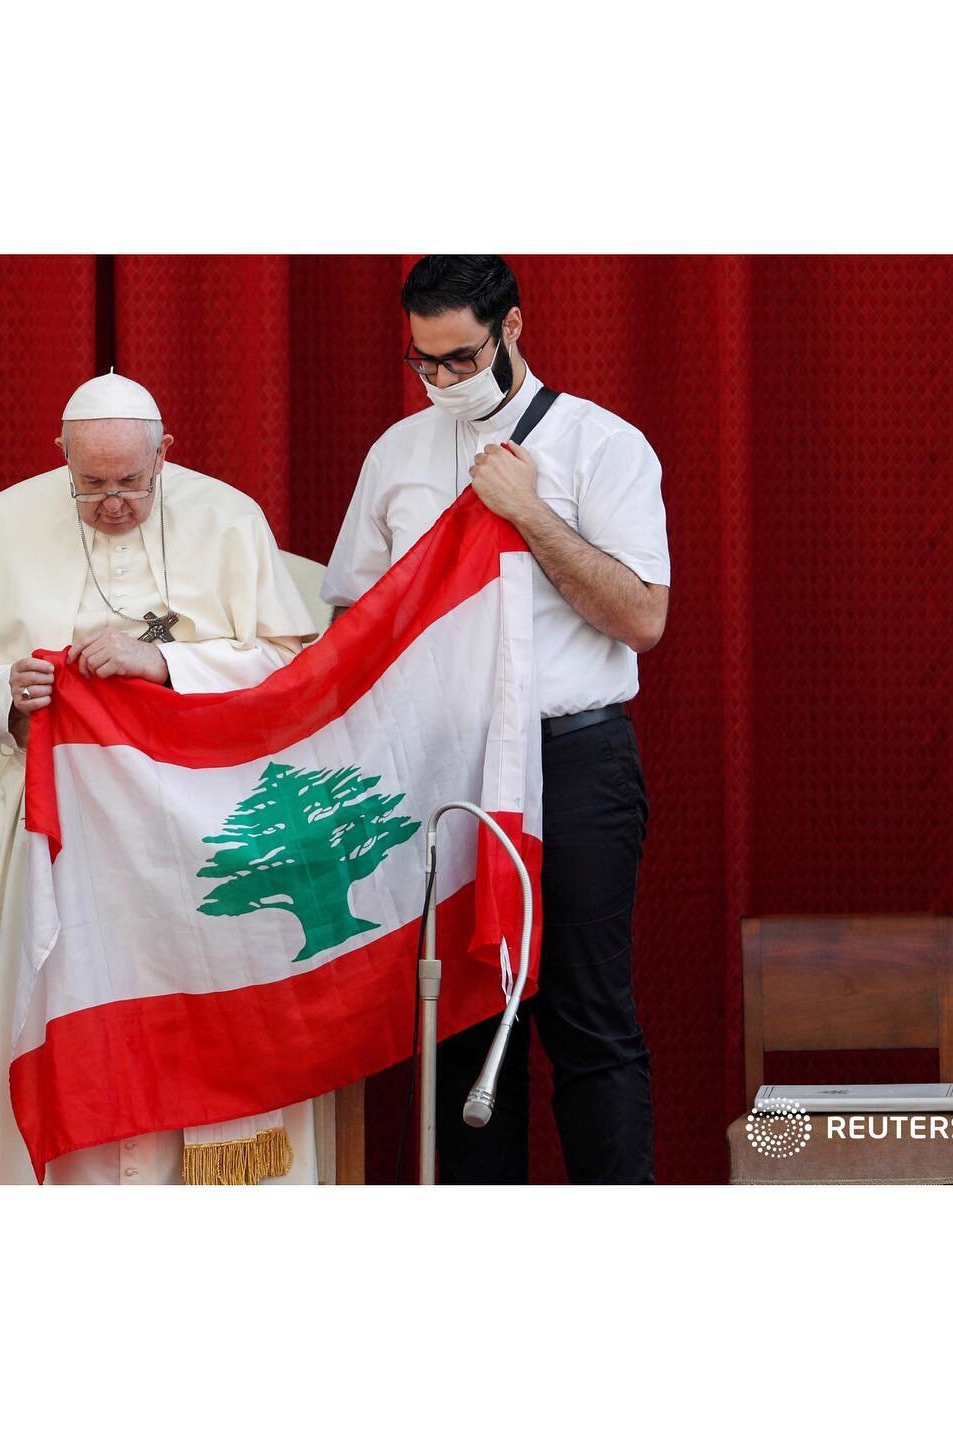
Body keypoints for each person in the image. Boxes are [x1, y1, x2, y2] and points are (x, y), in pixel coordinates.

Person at [322, 256, 669, 1184]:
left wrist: (527, 515)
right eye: (423, 362)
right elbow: (352, 615)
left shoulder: (603, 445)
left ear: (512, 329)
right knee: (466, 1024)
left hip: (574, 757)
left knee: (587, 1020)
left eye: (462, 358)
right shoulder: (397, 456)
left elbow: (642, 615)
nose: (443, 382)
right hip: (445, 766)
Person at [0, 370, 320, 1184]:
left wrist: (167, 661)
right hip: (58, 826)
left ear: (165, 456)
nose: (113, 504)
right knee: (68, 1019)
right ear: (63, 462)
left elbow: (291, 664)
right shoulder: (2, 522)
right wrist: (5, 693)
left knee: (198, 1033)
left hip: (199, 822)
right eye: (92, 486)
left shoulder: (229, 517)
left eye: (132, 485)